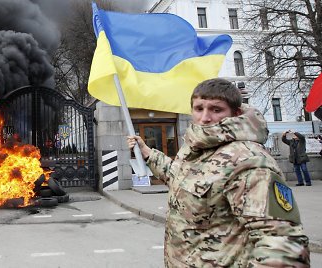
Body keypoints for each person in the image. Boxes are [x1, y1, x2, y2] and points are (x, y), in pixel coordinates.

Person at [127, 78, 310, 267]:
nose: (205, 118)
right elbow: (178, 176)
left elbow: (283, 246)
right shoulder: (196, 148)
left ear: (235, 113)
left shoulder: (248, 160)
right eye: (199, 109)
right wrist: (148, 153)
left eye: (216, 109)